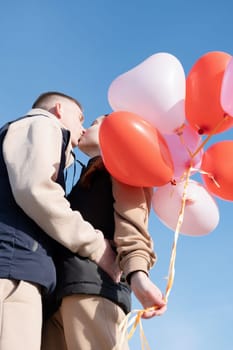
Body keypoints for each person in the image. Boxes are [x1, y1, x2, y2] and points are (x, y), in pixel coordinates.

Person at [0, 93, 118, 350]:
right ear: (58, 110)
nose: (83, 128)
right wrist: (98, 247)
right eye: (80, 119)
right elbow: (37, 190)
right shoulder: (44, 125)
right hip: (13, 269)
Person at [42, 115, 166, 350]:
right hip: (59, 294)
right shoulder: (86, 176)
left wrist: (138, 275)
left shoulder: (123, 164)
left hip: (94, 287)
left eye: (96, 122)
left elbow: (133, 224)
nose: (87, 127)